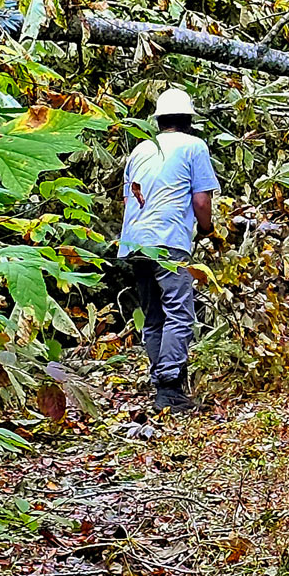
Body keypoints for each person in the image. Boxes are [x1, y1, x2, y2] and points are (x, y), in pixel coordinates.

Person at [118, 87, 220, 413]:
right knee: (179, 312)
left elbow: (128, 199)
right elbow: (201, 200)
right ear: (189, 120)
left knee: (153, 315)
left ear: (158, 120)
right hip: (168, 241)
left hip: (134, 241)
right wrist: (207, 229)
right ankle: (170, 388)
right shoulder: (194, 146)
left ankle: (163, 386)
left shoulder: (139, 150)